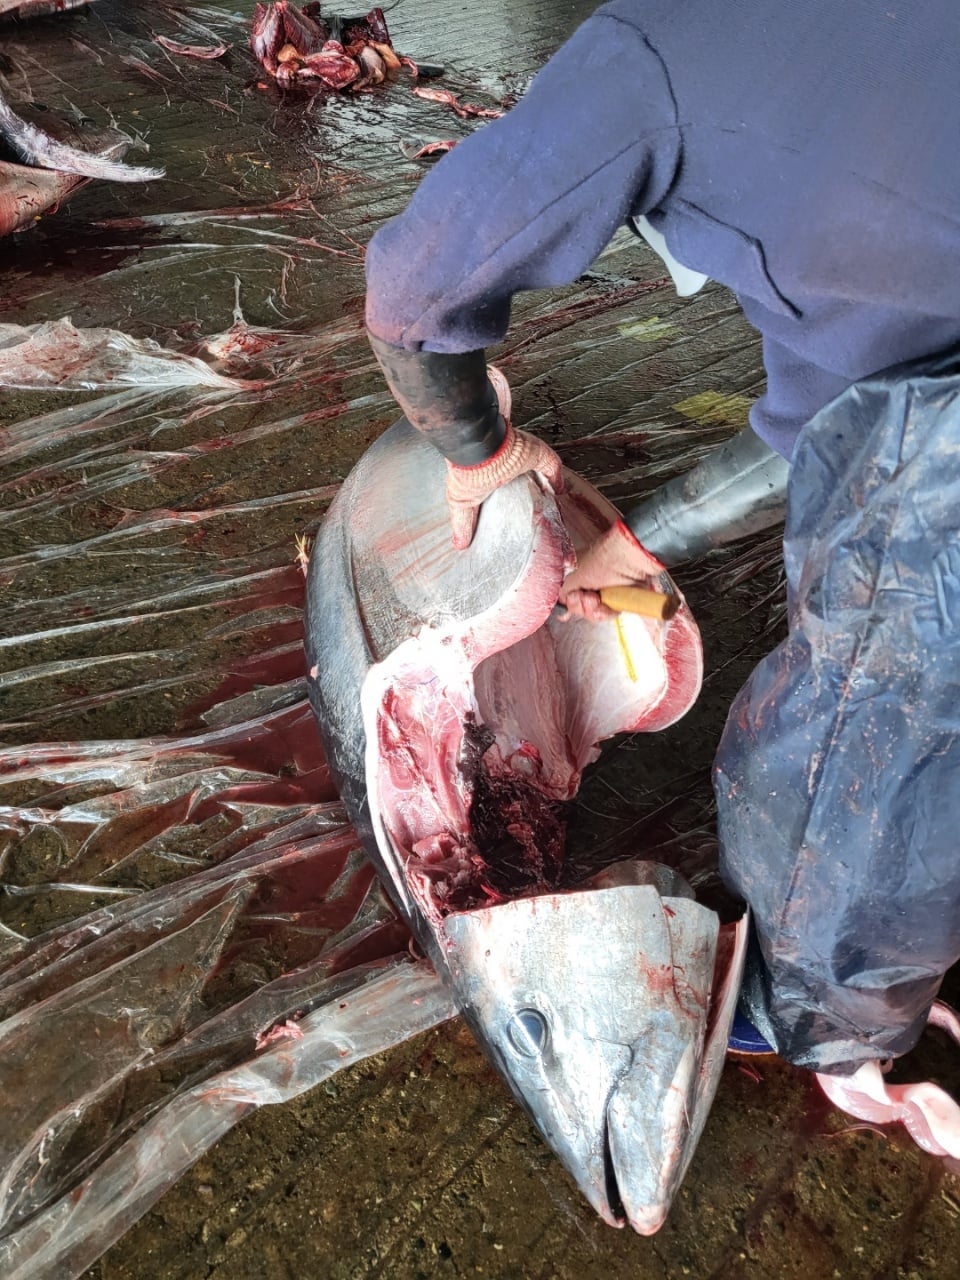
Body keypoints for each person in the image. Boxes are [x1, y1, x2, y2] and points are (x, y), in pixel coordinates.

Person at [363, 0, 960, 1143]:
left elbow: (412, 289)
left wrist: (479, 451)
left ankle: (824, 1012)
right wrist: (644, 540)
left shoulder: (642, 63)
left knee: (870, 736)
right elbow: (835, 408)